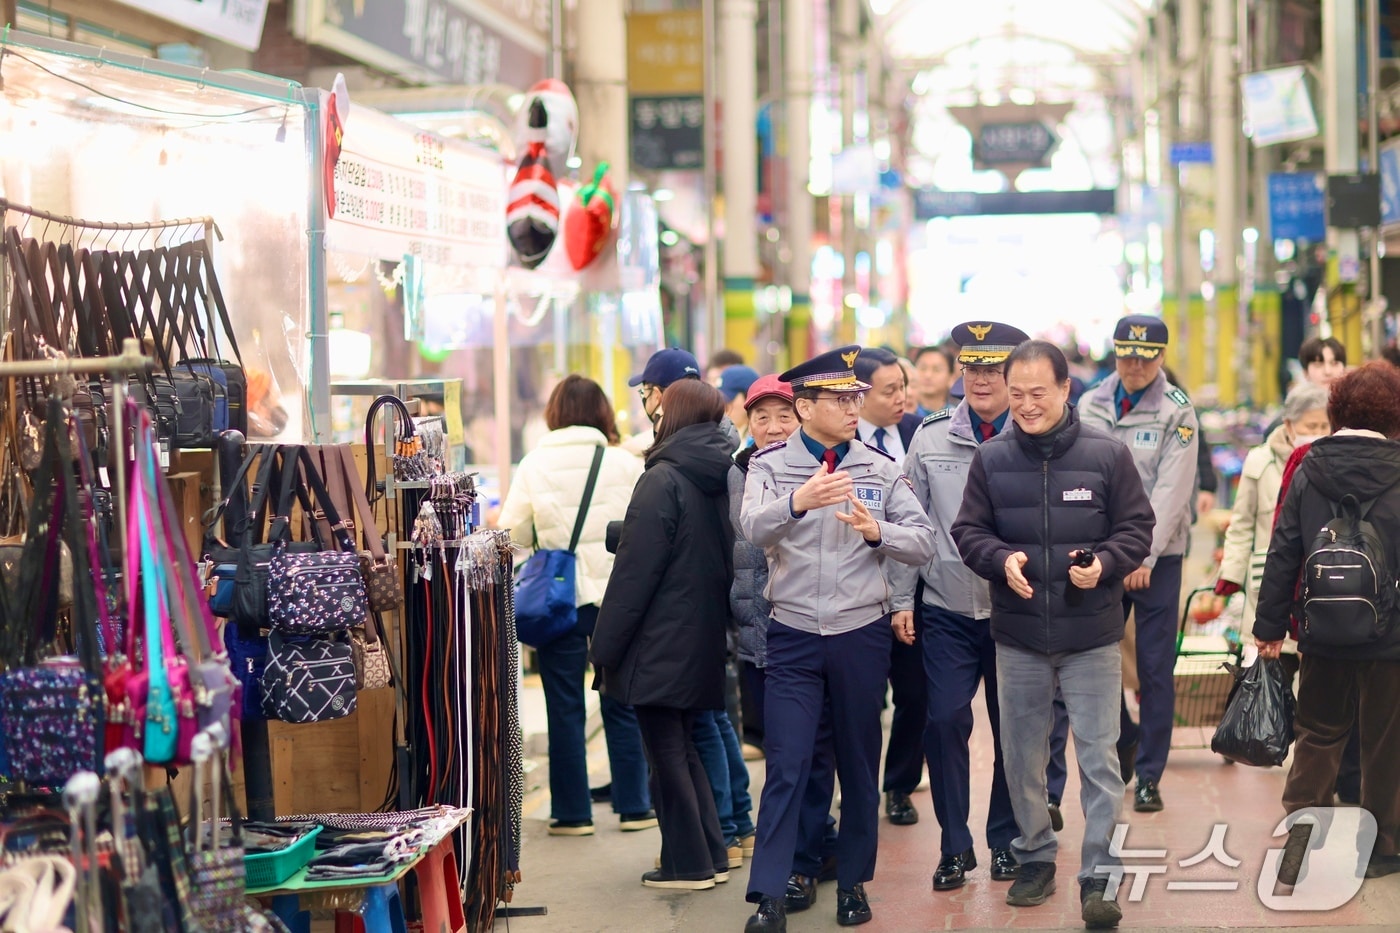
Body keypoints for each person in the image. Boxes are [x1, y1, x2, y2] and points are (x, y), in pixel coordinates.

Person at [951, 340, 1154, 930]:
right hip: (1018, 637)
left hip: (1090, 635)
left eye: (1039, 393)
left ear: (1066, 390)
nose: (1027, 405)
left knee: (1098, 759)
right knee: (1021, 757)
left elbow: (1137, 528)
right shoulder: (990, 460)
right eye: (1017, 395)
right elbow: (969, 531)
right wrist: (1000, 559)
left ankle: (1099, 876)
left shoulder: (1107, 456)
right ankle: (1035, 856)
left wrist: (1106, 564)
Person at [741, 347, 936, 932]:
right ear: (803, 407)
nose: (855, 408)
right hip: (794, 632)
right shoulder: (769, 465)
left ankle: (852, 883)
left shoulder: (878, 466)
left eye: (857, 397)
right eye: (841, 399)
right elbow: (750, 527)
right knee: (788, 762)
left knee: (857, 760)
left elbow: (924, 540)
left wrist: (879, 532)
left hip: (861, 634)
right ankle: (770, 896)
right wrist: (799, 501)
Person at [890, 321, 1027, 893]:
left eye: (993, 371)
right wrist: (901, 597)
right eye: (971, 370)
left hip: (1013, 611)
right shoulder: (930, 436)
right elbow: (908, 522)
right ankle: (953, 845)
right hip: (944, 607)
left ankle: (1005, 839)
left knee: (1013, 731)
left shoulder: (1031, 435)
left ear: (1014, 376)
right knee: (944, 720)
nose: (981, 381)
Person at [1255, 361, 1400, 882]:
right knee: (1386, 741)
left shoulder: (1308, 465)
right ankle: (1382, 847)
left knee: (1317, 733)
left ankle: (1299, 840)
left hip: (1321, 629)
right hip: (1390, 635)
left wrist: (1270, 626)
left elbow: (1284, 551)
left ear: (1336, 410)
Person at [590, 379, 736, 890]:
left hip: (659, 637)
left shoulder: (663, 478)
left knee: (666, 754)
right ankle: (710, 854)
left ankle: (687, 864)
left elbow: (635, 574)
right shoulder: (719, 474)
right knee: (685, 746)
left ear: (669, 417)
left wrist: (604, 647)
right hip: (700, 633)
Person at [495, 375, 655, 836]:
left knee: (563, 704)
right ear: (603, 413)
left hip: (557, 600)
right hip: (614, 598)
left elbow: (515, 534)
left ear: (554, 414)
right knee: (620, 700)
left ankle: (572, 813)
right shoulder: (621, 462)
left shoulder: (533, 464)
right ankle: (635, 805)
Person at [1078, 314, 1199, 813]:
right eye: (1125, 355)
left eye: (1144, 358)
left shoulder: (1178, 412)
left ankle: (1149, 774)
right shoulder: (1090, 404)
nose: (1133, 366)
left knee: (1153, 666)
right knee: (1096, 658)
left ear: (1161, 359)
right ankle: (1125, 734)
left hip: (1157, 558)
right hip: (1104, 556)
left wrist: (1143, 554)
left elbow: (1171, 492)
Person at [729, 374, 837, 901]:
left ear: (802, 419)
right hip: (757, 637)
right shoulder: (736, 473)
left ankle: (805, 860)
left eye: (784, 417)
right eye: (761, 417)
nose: (772, 428)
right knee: (782, 755)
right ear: (746, 422)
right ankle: (814, 847)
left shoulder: (820, 472)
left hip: (806, 630)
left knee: (813, 753)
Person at [848, 347, 927, 828]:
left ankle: (899, 785)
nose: (902, 398)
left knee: (915, 694)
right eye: (889, 390)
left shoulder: (919, 433)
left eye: (903, 386)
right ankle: (854, 786)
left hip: (912, 587)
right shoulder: (835, 442)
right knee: (859, 701)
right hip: (854, 590)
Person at [1214, 382, 1330, 680]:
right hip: (1268, 585)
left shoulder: (1332, 463)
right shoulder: (1259, 461)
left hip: (1318, 586)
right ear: (1289, 424)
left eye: (1323, 425)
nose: (1317, 432)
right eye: (1311, 425)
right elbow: (1242, 524)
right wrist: (1230, 574)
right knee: (1270, 681)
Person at [720, 365, 762, 445]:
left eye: (728, 401)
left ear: (749, 398)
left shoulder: (762, 442)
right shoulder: (723, 436)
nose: (724, 409)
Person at [913, 345, 957, 417]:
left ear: (951, 377)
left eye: (937, 370)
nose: (928, 375)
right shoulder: (904, 415)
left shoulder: (957, 417)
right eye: (923, 368)